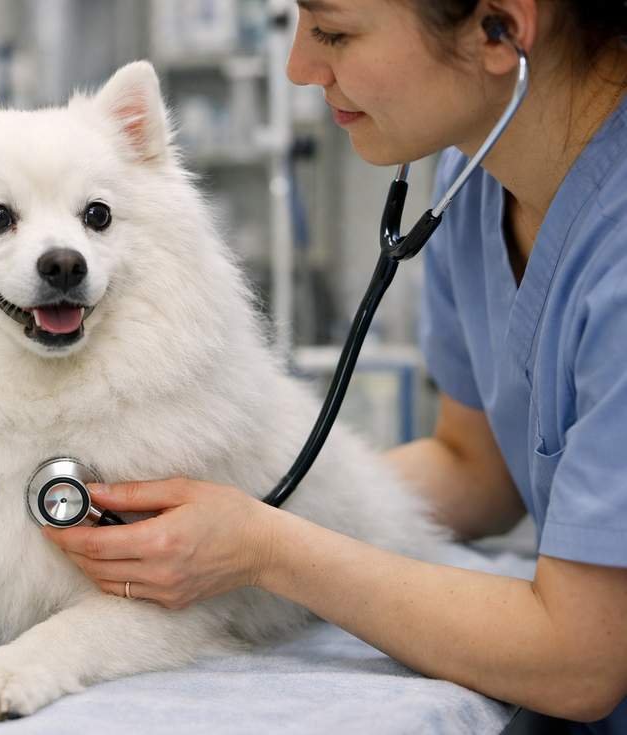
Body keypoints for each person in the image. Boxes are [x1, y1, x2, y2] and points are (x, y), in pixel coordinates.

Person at [42, 0, 627, 731]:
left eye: (334, 32)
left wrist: (264, 547)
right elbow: (479, 469)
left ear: (498, 27)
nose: (298, 67)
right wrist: (259, 497)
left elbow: (582, 660)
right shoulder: (477, 184)